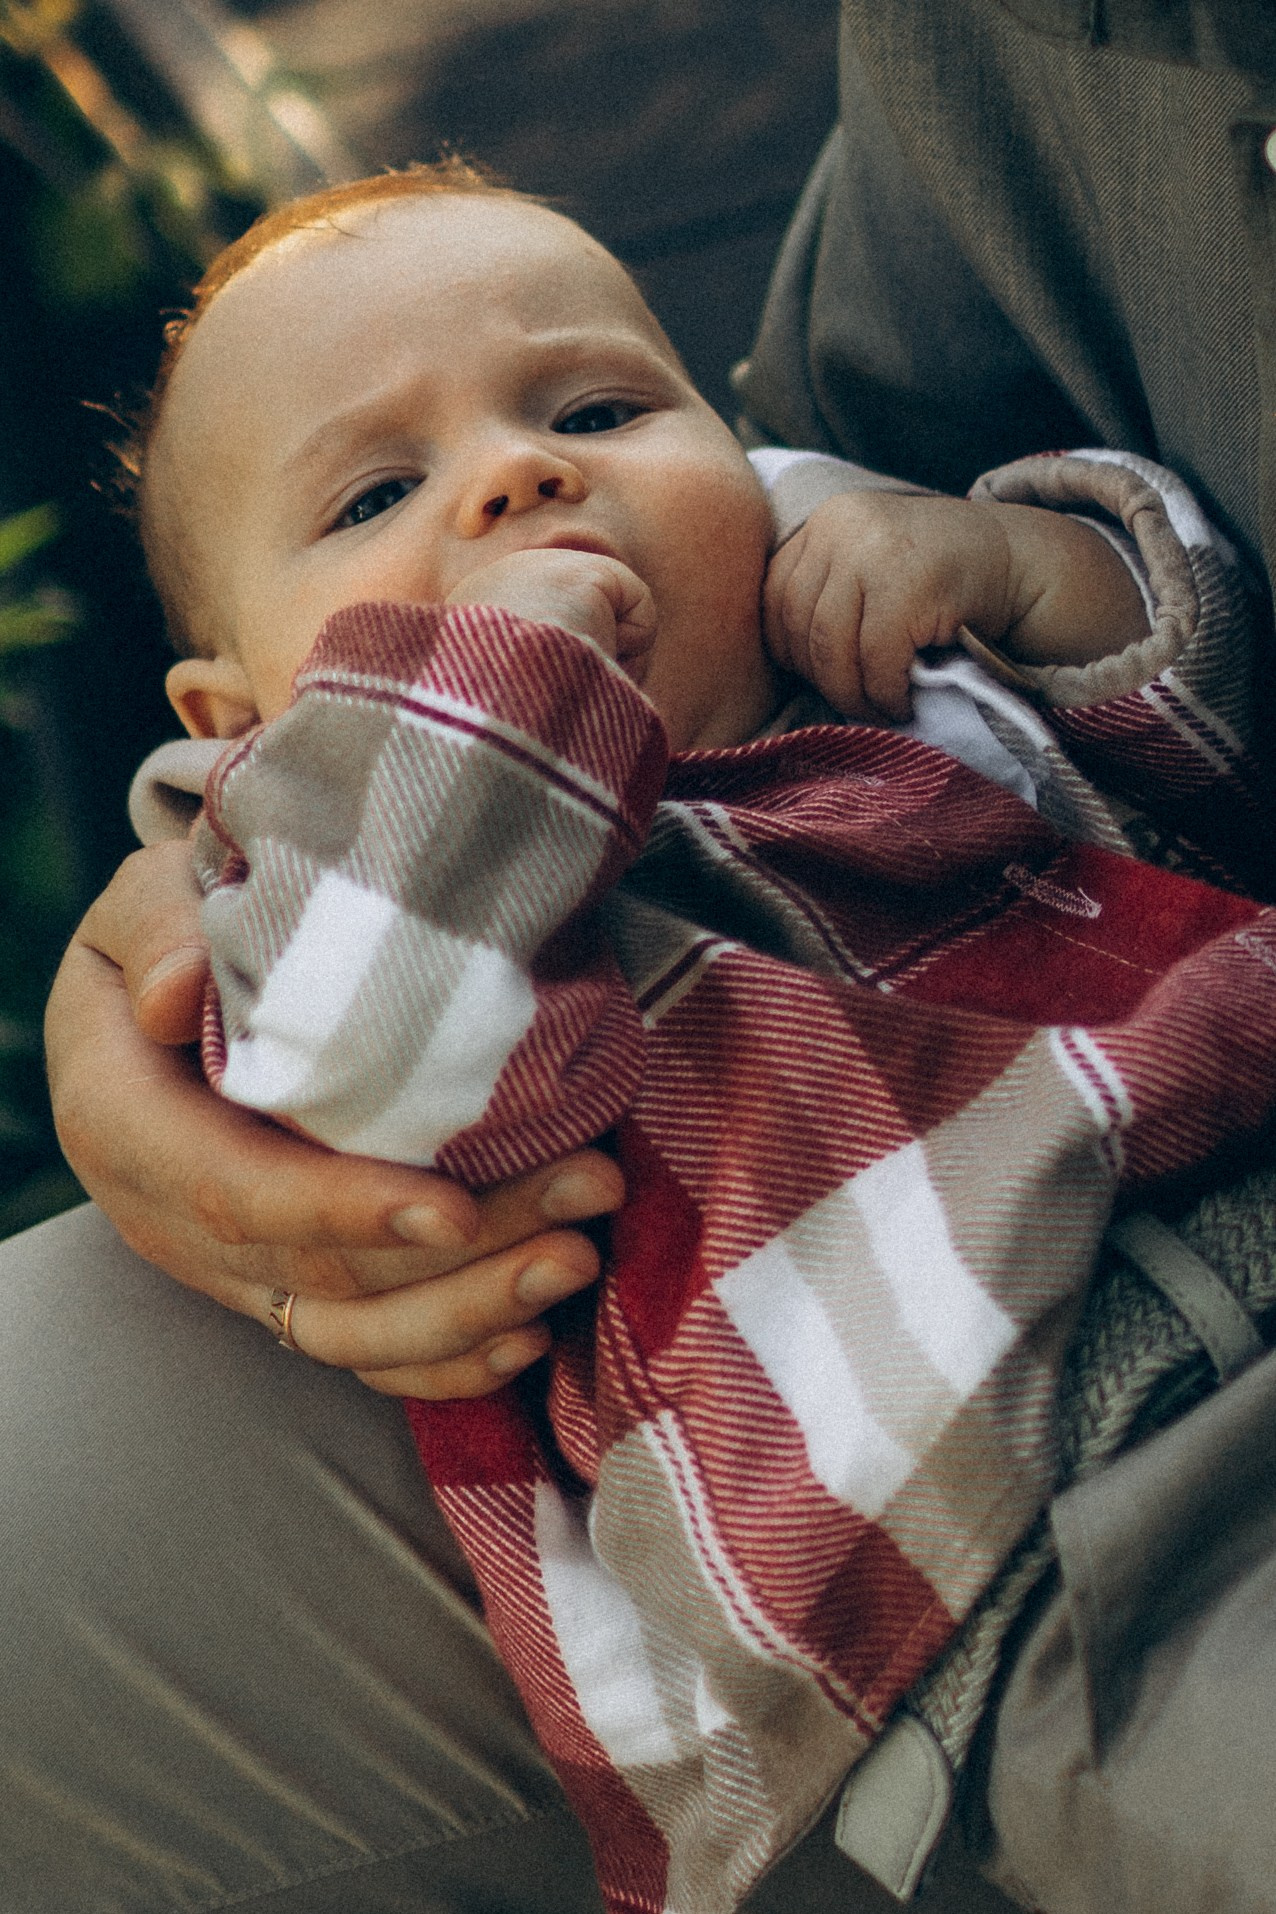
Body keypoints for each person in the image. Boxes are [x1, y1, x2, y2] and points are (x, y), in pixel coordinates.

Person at [17, 8, 1276, 1907]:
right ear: (232, 707)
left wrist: (1034, 573)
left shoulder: (874, 671)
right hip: (996, 1552)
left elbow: (1195, 725)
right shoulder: (345, 863)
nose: (517, 480)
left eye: (596, 413)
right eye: (374, 498)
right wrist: (482, 702)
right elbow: (381, 1050)